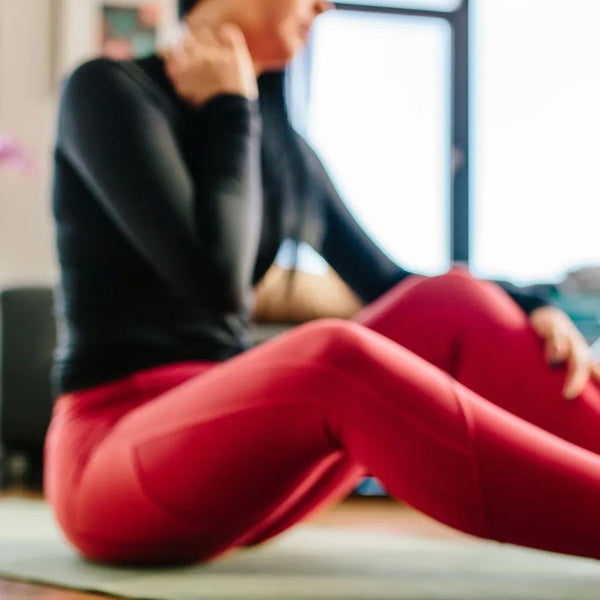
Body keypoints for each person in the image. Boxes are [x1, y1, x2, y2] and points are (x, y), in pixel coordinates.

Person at [45, 0, 600, 566]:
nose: (324, 4)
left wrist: (531, 304)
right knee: (333, 356)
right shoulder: (106, 91)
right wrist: (231, 107)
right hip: (111, 458)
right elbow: (215, 281)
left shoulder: (285, 152)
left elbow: (391, 284)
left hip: (235, 460)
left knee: (452, 300)